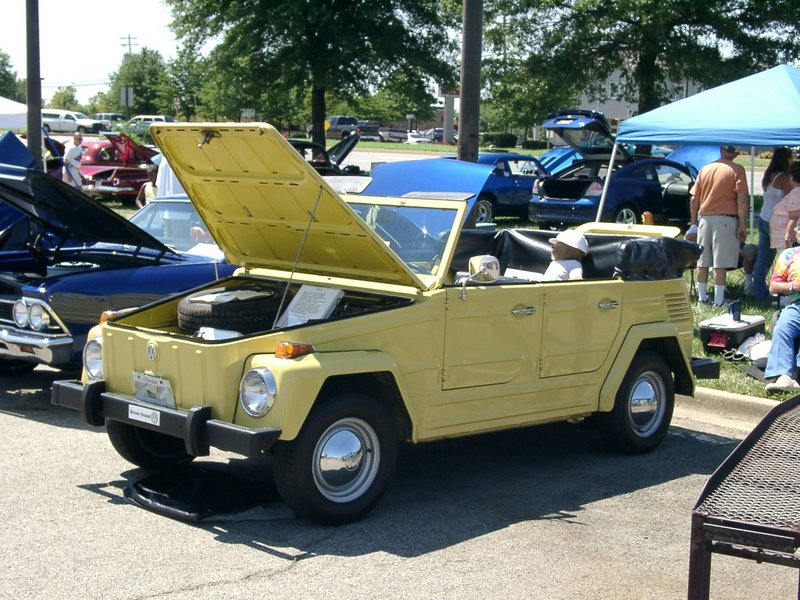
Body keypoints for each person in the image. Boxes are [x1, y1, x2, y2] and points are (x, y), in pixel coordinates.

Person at [689, 145, 749, 306]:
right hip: (725, 219)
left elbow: (694, 198)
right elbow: (742, 199)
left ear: (721, 150)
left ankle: (702, 299)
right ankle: (719, 301)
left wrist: (693, 219)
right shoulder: (737, 169)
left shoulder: (705, 168)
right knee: (720, 263)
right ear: (735, 153)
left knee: (702, 262)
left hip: (704, 219)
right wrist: (742, 224)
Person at [752, 148, 793, 299]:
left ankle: (758, 291)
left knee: (763, 258)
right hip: (776, 222)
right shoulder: (783, 177)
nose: (792, 161)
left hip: (763, 217)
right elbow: (792, 198)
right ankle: (783, 292)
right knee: (784, 256)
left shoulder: (769, 174)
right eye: (791, 158)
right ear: (785, 159)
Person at [764, 245, 800, 392]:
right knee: (783, 326)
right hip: (797, 304)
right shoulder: (789, 254)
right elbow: (773, 287)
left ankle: (796, 373)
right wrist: (793, 286)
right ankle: (784, 376)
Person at [769, 161, 800, 257]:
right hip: (783, 238)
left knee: (787, 265)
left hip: (786, 240)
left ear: (791, 177)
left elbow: (794, 217)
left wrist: (788, 238)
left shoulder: (796, 193)